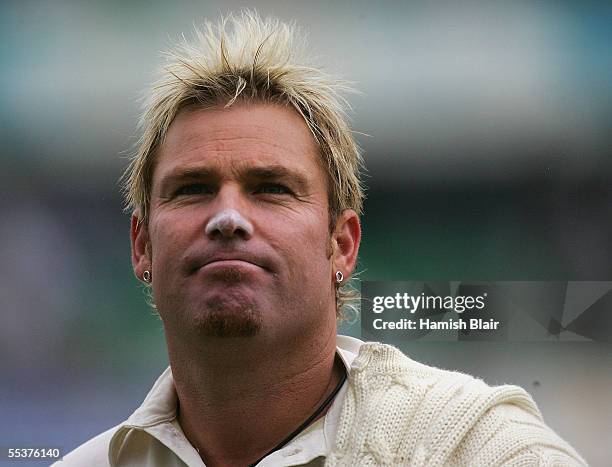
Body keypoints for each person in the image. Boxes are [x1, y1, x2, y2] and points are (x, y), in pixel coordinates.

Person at [57, 11, 586, 467]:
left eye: (271, 189)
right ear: (142, 246)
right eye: (193, 189)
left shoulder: (471, 447)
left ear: (342, 246)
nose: (227, 217)